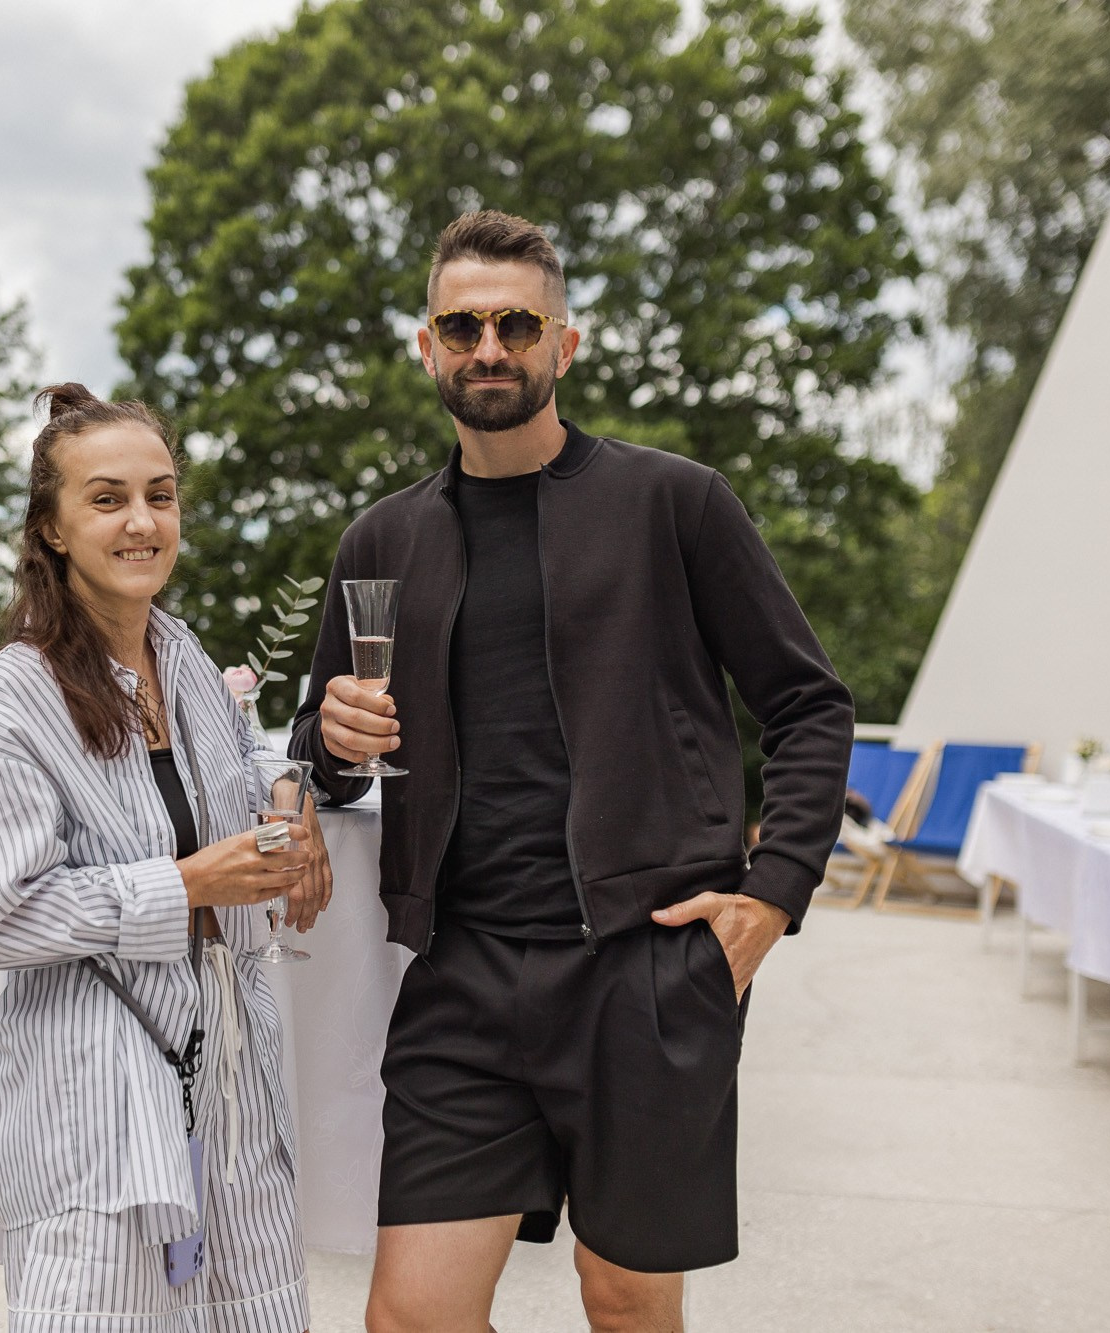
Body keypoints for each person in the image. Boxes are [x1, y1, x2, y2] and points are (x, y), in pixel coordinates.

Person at [289, 212, 853, 1333]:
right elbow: (322, 749)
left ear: (564, 343)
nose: (487, 347)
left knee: (626, 1304)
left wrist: (770, 894)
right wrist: (329, 739)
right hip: (461, 975)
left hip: (641, 968)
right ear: (425, 346)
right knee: (410, 1315)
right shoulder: (382, 540)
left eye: (515, 323)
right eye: (462, 323)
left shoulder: (672, 503)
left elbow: (806, 703)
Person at [0, 383, 332, 1333]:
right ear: (52, 528)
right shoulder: (14, 696)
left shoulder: (181, 652)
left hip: (226, 1074)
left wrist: (289, 790)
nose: (142, 521)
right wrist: (186, 884)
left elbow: (240, 756)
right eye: (108, 498)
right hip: (96, 1090)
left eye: (159, 495)